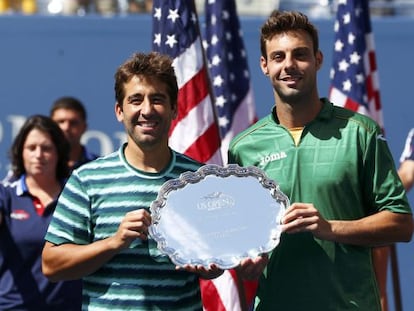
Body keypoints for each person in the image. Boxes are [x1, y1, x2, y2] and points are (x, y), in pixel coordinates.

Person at [230, 11, 413, 310]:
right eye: (278, 56)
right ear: (265, 65)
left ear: (318, 59)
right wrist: (247, 259)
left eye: (299, 55)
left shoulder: (361, 133)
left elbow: (401, 224)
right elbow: (241, 236)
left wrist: (329, 229)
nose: (289, 65)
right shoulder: (243, 148)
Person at [41, 52, 223, 310]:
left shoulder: (200, 180)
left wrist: (210, 267)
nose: (147, 110)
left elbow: (216, 260)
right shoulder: (87, 180)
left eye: (157, 99)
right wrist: (114, 242)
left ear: (174, 109)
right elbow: (51, 264)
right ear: (119, 111)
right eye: (136, 100)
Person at [0, 115, 82, 310]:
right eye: (31, 148)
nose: (38, 154)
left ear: (58, 153)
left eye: (46, 148)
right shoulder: (5, 194)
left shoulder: (77, 196)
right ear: (20, 153)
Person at [49, 96, 99, 171]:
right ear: (50, 126)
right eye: (60, 121)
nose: (66, 127)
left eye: (73, 123)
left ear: (84, 127)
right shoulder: (41, 164)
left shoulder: (98, 166)